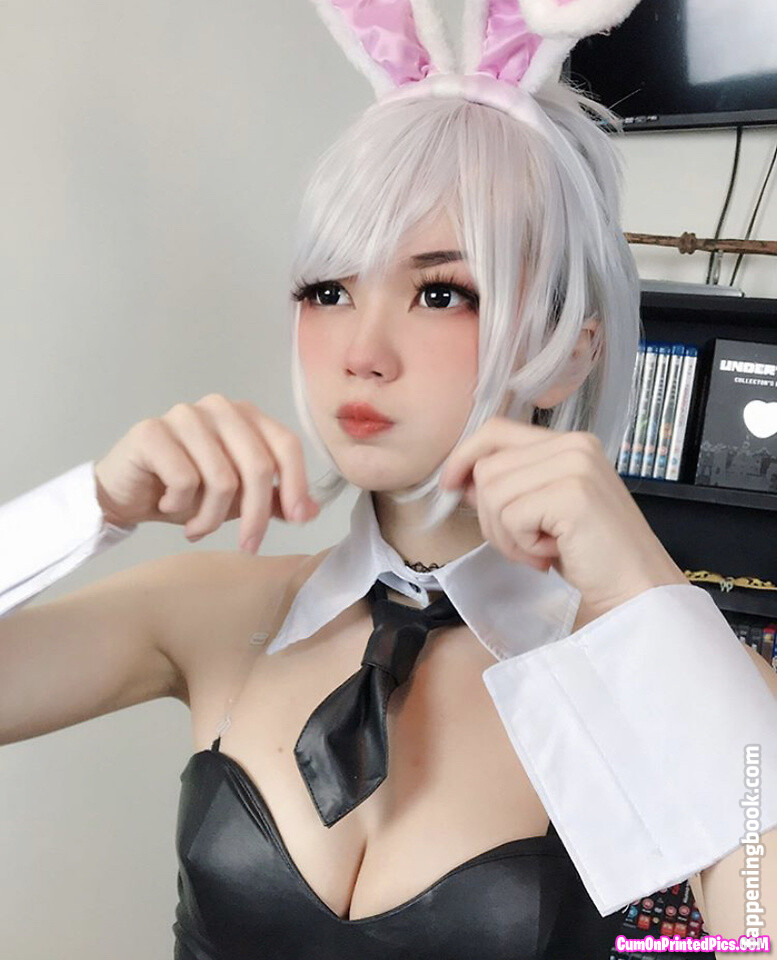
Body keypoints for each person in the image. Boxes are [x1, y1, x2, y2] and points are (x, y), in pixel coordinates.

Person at [1, 1, 776, 957]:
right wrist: (88, 507)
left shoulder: (671, 679)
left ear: (570, 350)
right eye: (329, 290)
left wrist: (642, 600)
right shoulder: (210, 612)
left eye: (440, 292)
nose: (361, 351)